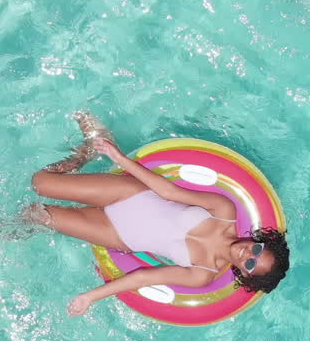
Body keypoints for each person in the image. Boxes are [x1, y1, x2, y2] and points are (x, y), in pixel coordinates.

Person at [21, 113, 290, 316]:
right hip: (129, 196)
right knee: (39, 182)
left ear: (244, 273)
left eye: (251, 264)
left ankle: (8, 230)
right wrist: (121, 158)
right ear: (259, 240)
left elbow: (145, 277)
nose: (248, 255)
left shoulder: (203, 275)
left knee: (38, 216)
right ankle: (84, 155)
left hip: (117, 234)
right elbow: (171, 193)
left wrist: (91, 297)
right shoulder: (224, 212)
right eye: (257, 250)